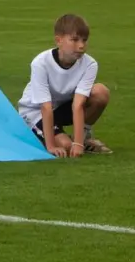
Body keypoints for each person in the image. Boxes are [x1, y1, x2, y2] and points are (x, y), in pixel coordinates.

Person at [17, 14, 111, 157]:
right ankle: (56, 137)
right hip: (36, 112)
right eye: (74, 40)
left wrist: (79, 143)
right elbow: (45, 107)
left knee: (100, 92)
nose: (81, 46)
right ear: (58, 40)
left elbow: (78, 104)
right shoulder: (41, 63)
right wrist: (51, 146)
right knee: (65, 146)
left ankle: (84, 138)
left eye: (84, 40)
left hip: (60, 109)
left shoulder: (90, 64)